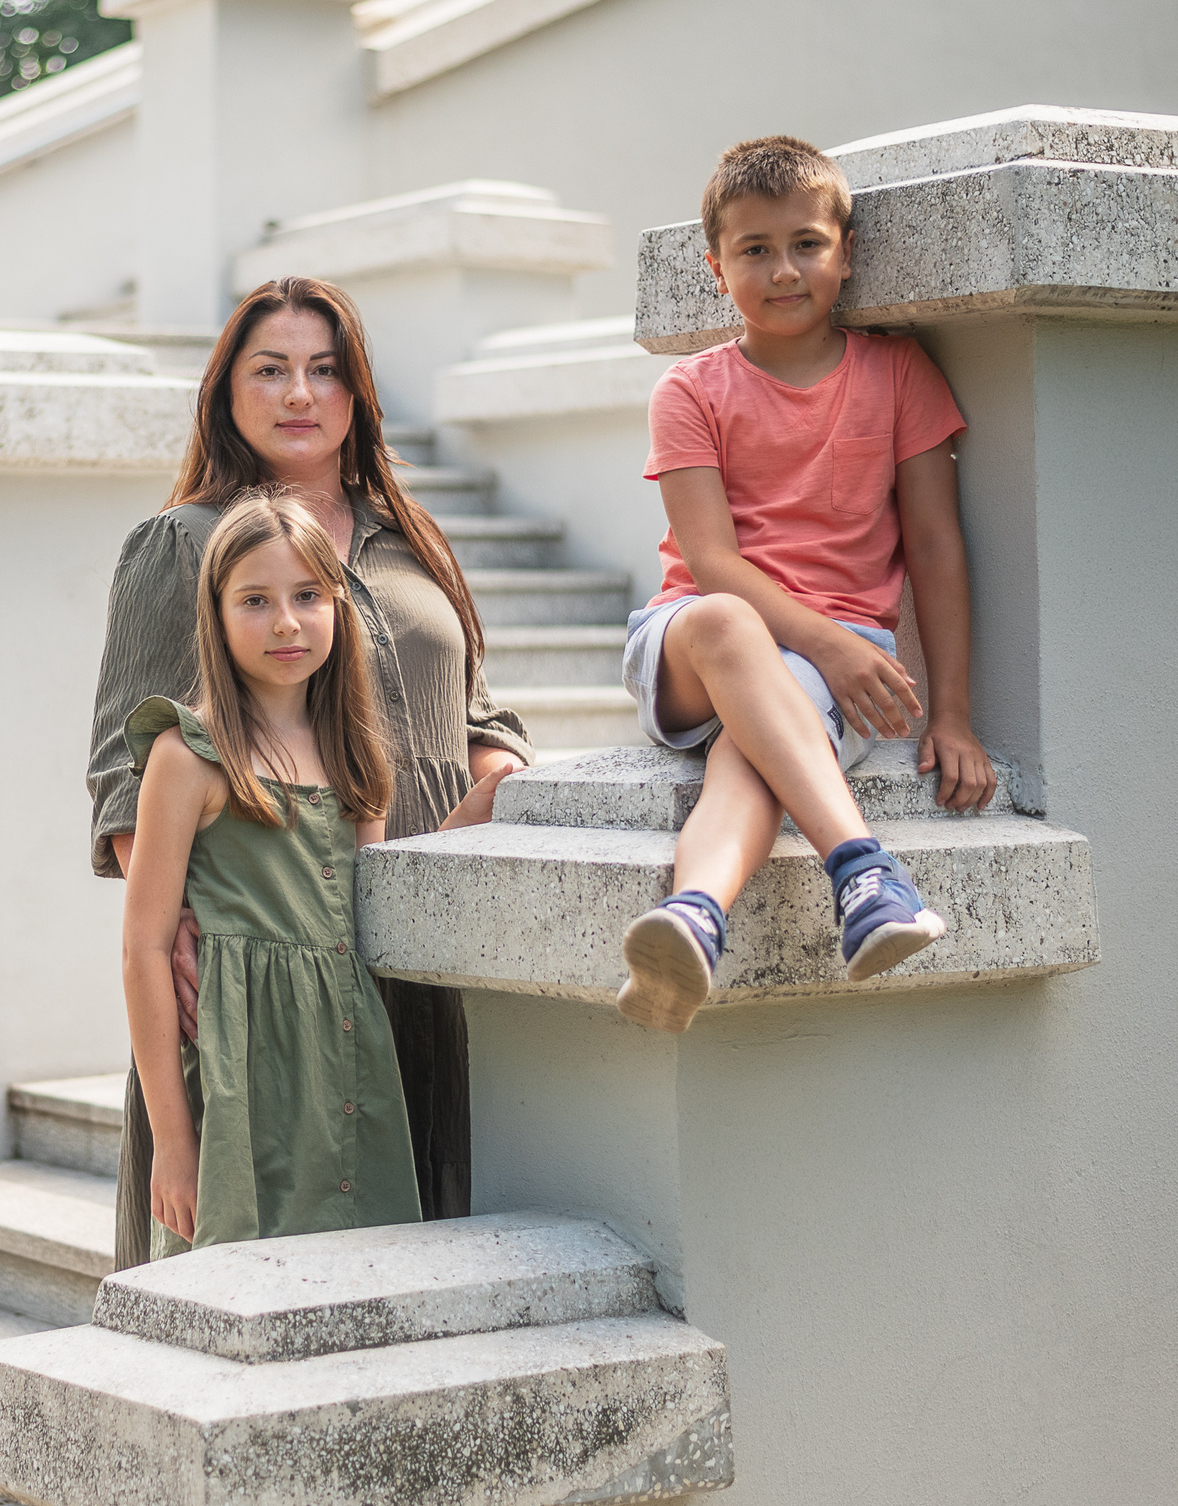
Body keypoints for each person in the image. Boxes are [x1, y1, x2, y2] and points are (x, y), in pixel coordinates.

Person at [88, 276, 531, 1268]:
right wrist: (183, 928)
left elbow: (480, 712)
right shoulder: (184, 544)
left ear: (357, 392)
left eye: (324, 369)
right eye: (271, 369)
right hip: (259, 971)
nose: (300, 392)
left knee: (402, 1231)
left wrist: (492, 787)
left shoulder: (407, 537)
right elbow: (122, 772)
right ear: (226, 391)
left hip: (411, 944)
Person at [614, 135, 997, 1033]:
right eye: (754, 250)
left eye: (806, 243)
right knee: (726, 624)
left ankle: (693, 918)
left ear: (846, 250)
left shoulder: (898, 373)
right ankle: (863, 871)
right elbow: (711, 562)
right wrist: (825, 638)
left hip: (833, 664)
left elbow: (938, 546)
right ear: (717, 268)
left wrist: (952, 714)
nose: (783, 270)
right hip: (693, 642)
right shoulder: (690, 391)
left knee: (747, 759)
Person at [120, 491, 420, 1255]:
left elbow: (366, 922)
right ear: (215, 615)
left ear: (339, 608)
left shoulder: (357, 757)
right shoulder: (188, 755)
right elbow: (144, 949)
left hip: (347, 1072)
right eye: (255, 599)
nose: (286, 621)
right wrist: (174, 1141)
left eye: (307, 596)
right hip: (238, 1082)